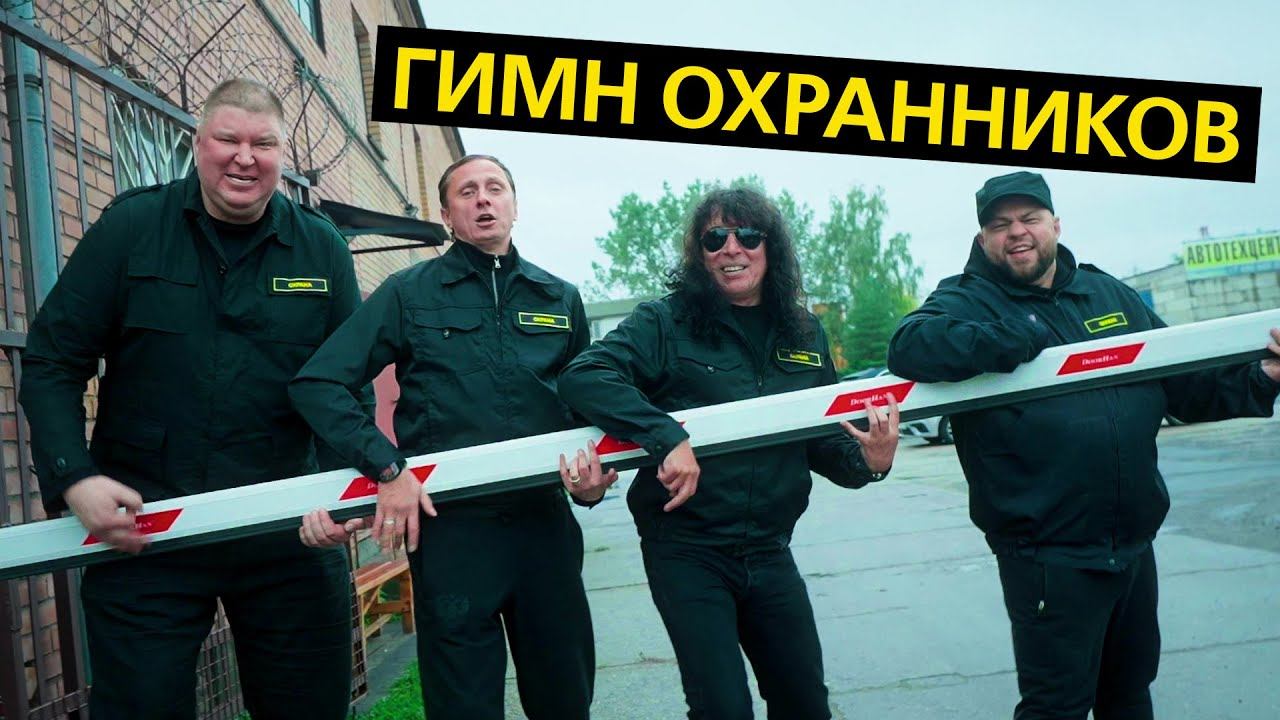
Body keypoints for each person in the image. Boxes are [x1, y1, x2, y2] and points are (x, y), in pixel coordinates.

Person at [19, 78, 366, 720]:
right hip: (146, 532)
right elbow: (51, 361)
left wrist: (343, 493)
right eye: (228, 139)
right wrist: (74, 478)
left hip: (288, 532)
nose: (245, 158)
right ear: (198, 142)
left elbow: (349, 387)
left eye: (263, 144)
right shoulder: (133, 227)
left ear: (281, 154)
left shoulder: (320, 249)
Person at [886, 170, 1280, 720]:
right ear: (982, 239)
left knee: (1129, 696)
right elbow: (909, 346)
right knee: (1057, 708)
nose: (1016, 232)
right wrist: (1009, 337)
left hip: (1132, 547)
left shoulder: (1107, 293)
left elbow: (1186, 385)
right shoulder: (967, 298)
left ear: (1055, 224)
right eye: (1000, 225)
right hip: (1048, 558)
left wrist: (1262, 377)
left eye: (1029, 218)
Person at [556, 187, 900, 720]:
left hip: (770, 548)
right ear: (699, 253)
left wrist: (871, 462)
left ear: (771, 247)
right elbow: (584, 376)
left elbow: (823, 442)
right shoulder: (665, 322)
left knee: (806, 704)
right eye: (715, 238)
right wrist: (667, 437)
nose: (731, 248)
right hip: (687, 550)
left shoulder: (804, 331)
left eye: (748, 236)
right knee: (722, 708)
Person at [288, 154, 609, 720]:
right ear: (446, 215)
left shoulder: (559, 298)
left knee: (565, 697)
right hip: (451, 533)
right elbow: (318, 384)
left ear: (514, 206)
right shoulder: (409, 294)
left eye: (495, 188)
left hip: (544, 529)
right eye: (467, 192)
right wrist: (386, 467)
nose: (483, 199)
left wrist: (593, 483)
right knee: (463, 705)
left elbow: (588, 403)